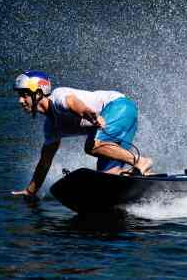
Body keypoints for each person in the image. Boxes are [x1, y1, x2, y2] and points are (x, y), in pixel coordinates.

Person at [11, 70, 154, 198]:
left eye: (24, 95)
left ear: (38, 93)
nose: (20, 101)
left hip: (119, 106)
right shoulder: (51, 128)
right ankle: (151, 182)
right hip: (119, 119)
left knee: (92, 146)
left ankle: (140, 161)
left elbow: (72, 103)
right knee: (110, 177)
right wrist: (30, 191)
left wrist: (88, 113)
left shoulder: (58, 97)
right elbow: (45, 162)